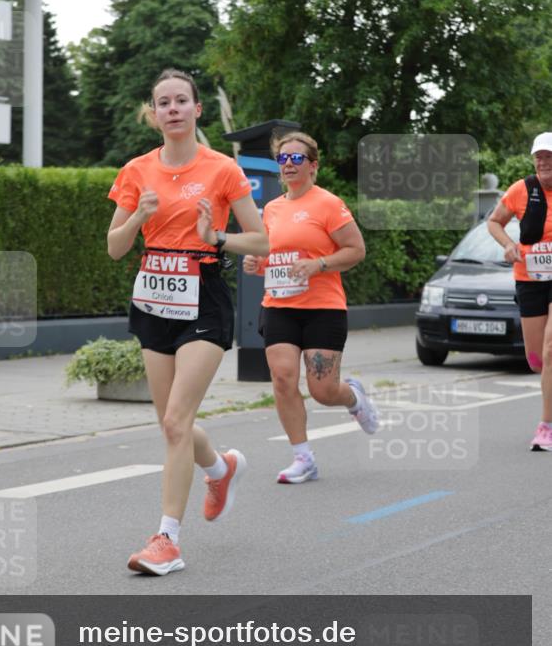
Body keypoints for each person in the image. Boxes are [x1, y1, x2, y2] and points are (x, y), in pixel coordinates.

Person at [107, 68, 269, 574]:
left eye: (182, 101)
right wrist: (138, 215)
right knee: (171, 424)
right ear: (153, 114)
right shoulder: (136, 170)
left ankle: (167, 541)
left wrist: (215, 236)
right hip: (154, 297)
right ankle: (221, 469)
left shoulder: (222, 169)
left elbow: (261, 240)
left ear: (197, 111)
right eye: (163, 102)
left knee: (177, 421)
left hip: (203, 295)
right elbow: (115, 248)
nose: (173, 108)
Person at [243, 131, 379, 483]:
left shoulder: (329, 204)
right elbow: (272, 256)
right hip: (278, 305)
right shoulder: (271, 208)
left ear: (313, 165)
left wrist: (318, 265)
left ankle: (353, 398)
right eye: (283, 159)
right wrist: (257, 264)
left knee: (323, 391)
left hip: (322, 307)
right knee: (283, 378)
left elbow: (356, 250)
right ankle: (303, 458)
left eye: (297, 158)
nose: (288, 164)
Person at [487, 131, 552, 451]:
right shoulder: (521, 189)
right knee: (537, 359)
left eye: (549, 156)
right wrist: (509, 245)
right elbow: (494, 222)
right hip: (530, 278)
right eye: (539, 156)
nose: (543, 162)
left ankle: (546, 426)